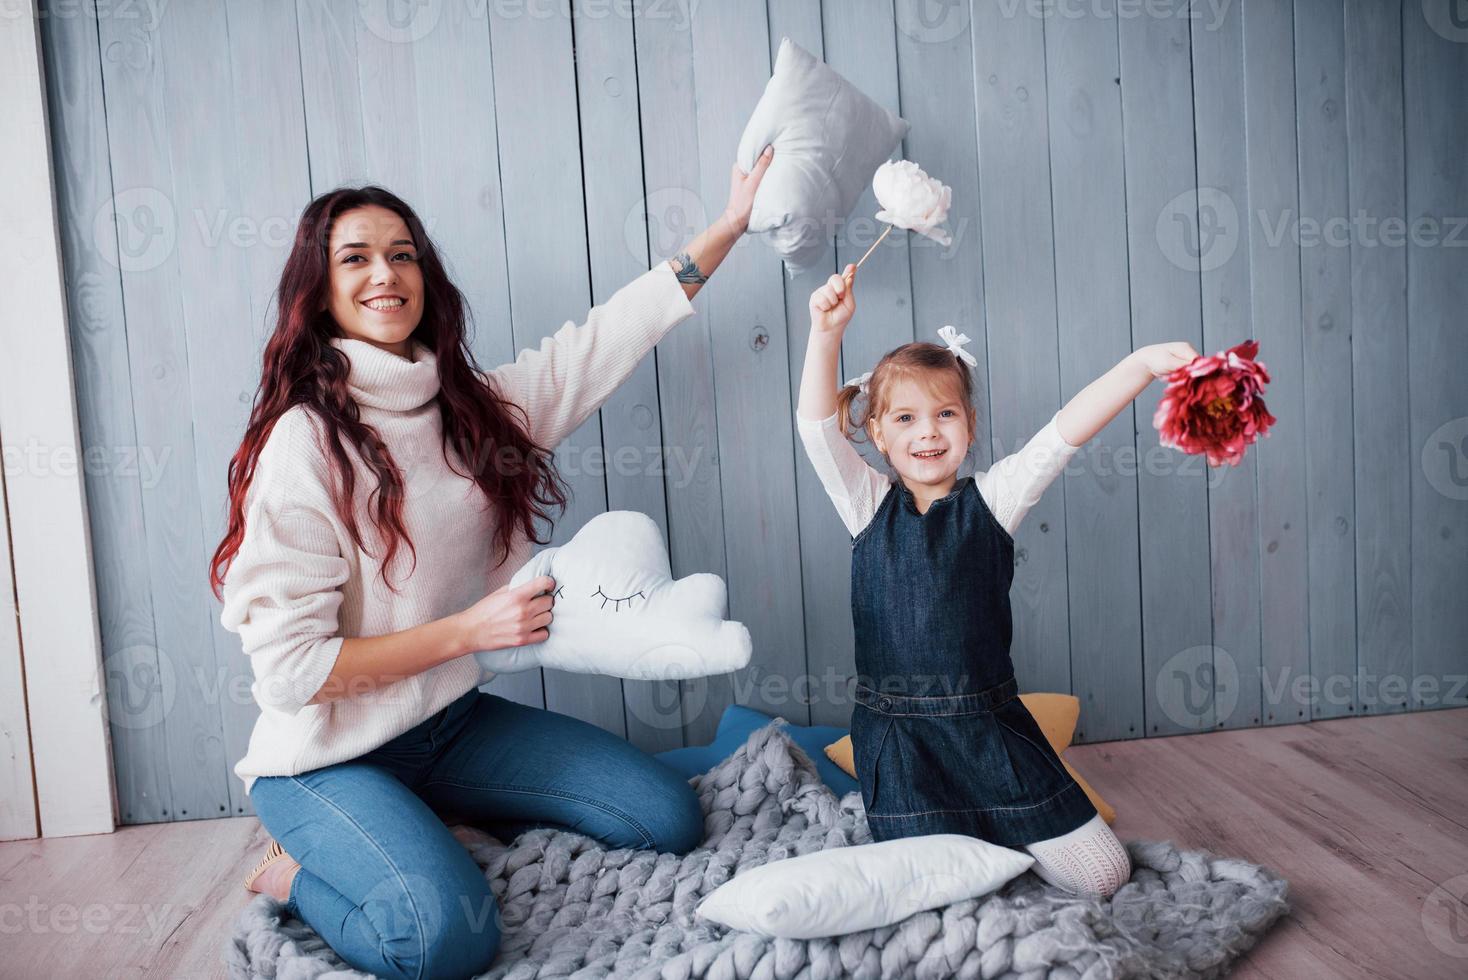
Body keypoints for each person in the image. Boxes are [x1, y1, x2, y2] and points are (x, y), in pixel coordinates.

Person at [212, 146, 774, 980]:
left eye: (403, 254)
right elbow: (294, 673)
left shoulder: (474, 413)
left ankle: (420, 816)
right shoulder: (305, 443)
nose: (385, 274)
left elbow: (609, 336)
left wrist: (729, 227)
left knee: (663, 819)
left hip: (445, 730)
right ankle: (289, 871)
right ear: (319, 289)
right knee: (442, 941)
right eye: (355, 258)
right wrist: (467, 630)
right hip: (325, 758)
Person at [797, 264, 1199, 897]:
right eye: (904, 419)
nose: (928, 431)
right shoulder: (865, 503)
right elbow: (816, 431)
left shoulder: (995, 497)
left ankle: (998, 837)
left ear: (970, 425)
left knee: (1104, 876)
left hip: (990, 731)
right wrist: (826, 333)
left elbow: (1064, 432)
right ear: (876, 433)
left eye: (945, 413)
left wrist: (1141, 365)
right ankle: (969, 850)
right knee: (931, 890)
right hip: (905, 743)